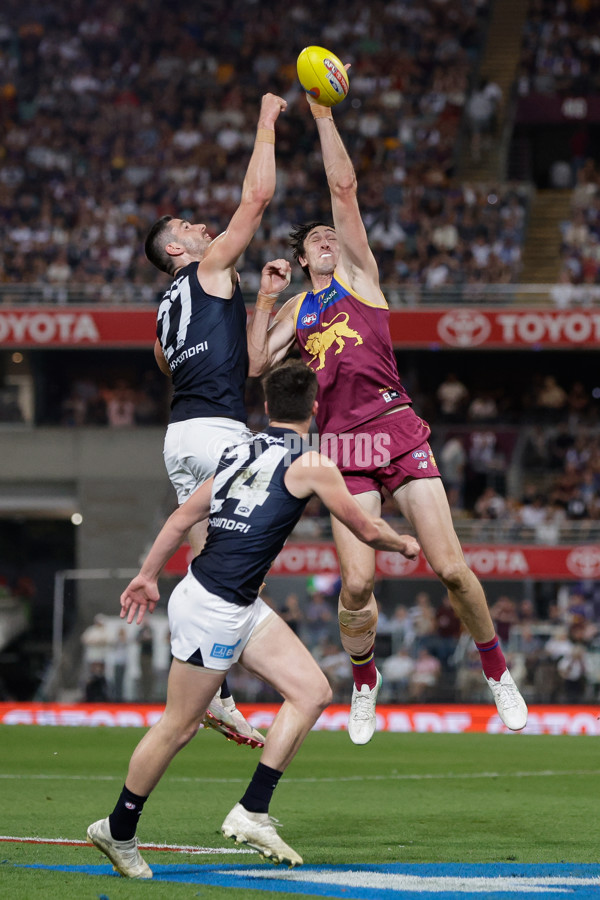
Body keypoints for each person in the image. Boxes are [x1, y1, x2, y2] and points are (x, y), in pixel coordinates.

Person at [247, 90, 528, 744]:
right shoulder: (294, 312)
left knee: (452, 568)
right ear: (302, 254)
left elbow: (343, 189)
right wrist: (263, 299)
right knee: (357, 583)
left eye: (329, 236)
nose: (325, 239)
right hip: (344, 446)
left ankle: (497, 672)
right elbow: (259, 367)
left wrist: (321, 114)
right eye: (314, 238)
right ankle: (365, 679)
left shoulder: (361, 279)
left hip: (397, 427)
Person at [86, 362, 419, 877]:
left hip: (230, 601)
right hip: (214, 608)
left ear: (266, 407)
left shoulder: (238, 449)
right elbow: (366, 529)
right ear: (315, 407)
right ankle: (118, 829)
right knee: (179, 727)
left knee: (311, 692)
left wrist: (148, 575)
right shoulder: (312, 463)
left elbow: (181, 517)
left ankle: (252, 812)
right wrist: (402, 542)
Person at [144, 92, 289, 748]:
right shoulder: (205, 267)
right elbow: (255, 201)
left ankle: (215, 695)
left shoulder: (161, 315)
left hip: (179, 438)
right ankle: (242, 674)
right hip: (219, 431)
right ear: (176, 244)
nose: (203, 226)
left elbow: (231, 365)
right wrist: (265, 122)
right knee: (259, 542)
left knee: (206, 563)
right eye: (190, 225)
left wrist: (259, 300)